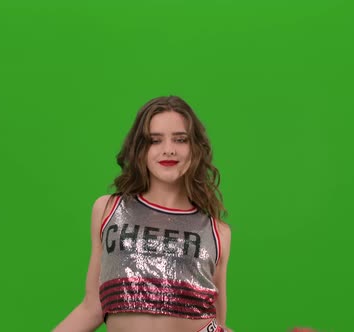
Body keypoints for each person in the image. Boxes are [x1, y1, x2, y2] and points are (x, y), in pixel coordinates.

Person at [54, 96, 232, 332]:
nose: (168, 150)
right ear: (140, 148)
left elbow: (218, 322)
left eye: (180, 139)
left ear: (195, 148)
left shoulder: (217, 231)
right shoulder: (109, 210)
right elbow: (92, 307)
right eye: (154, 140)